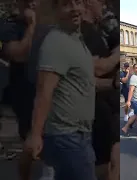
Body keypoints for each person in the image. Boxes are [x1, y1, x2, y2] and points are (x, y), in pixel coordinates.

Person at [26, 0, 97, 179]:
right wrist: (35, 135)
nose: (74, 8)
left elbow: (82, 82)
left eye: (77, 2)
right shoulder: (56, 42)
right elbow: (43, 92)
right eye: (66, 4)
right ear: (56, 11)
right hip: (66, 136)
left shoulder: (76, 40)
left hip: (79, 135)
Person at [0, 0, 55, 179]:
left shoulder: (49, 25)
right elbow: (20, 54)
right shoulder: (11, 26)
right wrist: (32, 25)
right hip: (25, 94)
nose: (34, 3)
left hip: (47, 91)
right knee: (31, 144)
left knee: (49, 142)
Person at [81, 0, 119, 179]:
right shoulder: (84, 32)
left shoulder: (96, 32)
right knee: (104, 164)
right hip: (96, 108)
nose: (103, 6)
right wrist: (119, 54)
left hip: (105, 108)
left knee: (111, 160)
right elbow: (96, 69)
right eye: (101, 2)